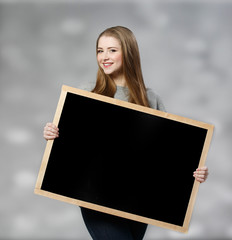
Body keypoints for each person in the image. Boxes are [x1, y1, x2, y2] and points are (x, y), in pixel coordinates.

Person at [43, 26, 209, 240]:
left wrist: (195, 171)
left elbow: (168, 154)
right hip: (97, 198)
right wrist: (54, 134)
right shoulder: (87, 92)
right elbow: (74, 151)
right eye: (100, 51)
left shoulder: (151, 99)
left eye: (112, 50)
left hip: (138, 202)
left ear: (128, 53)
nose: (104, 57)